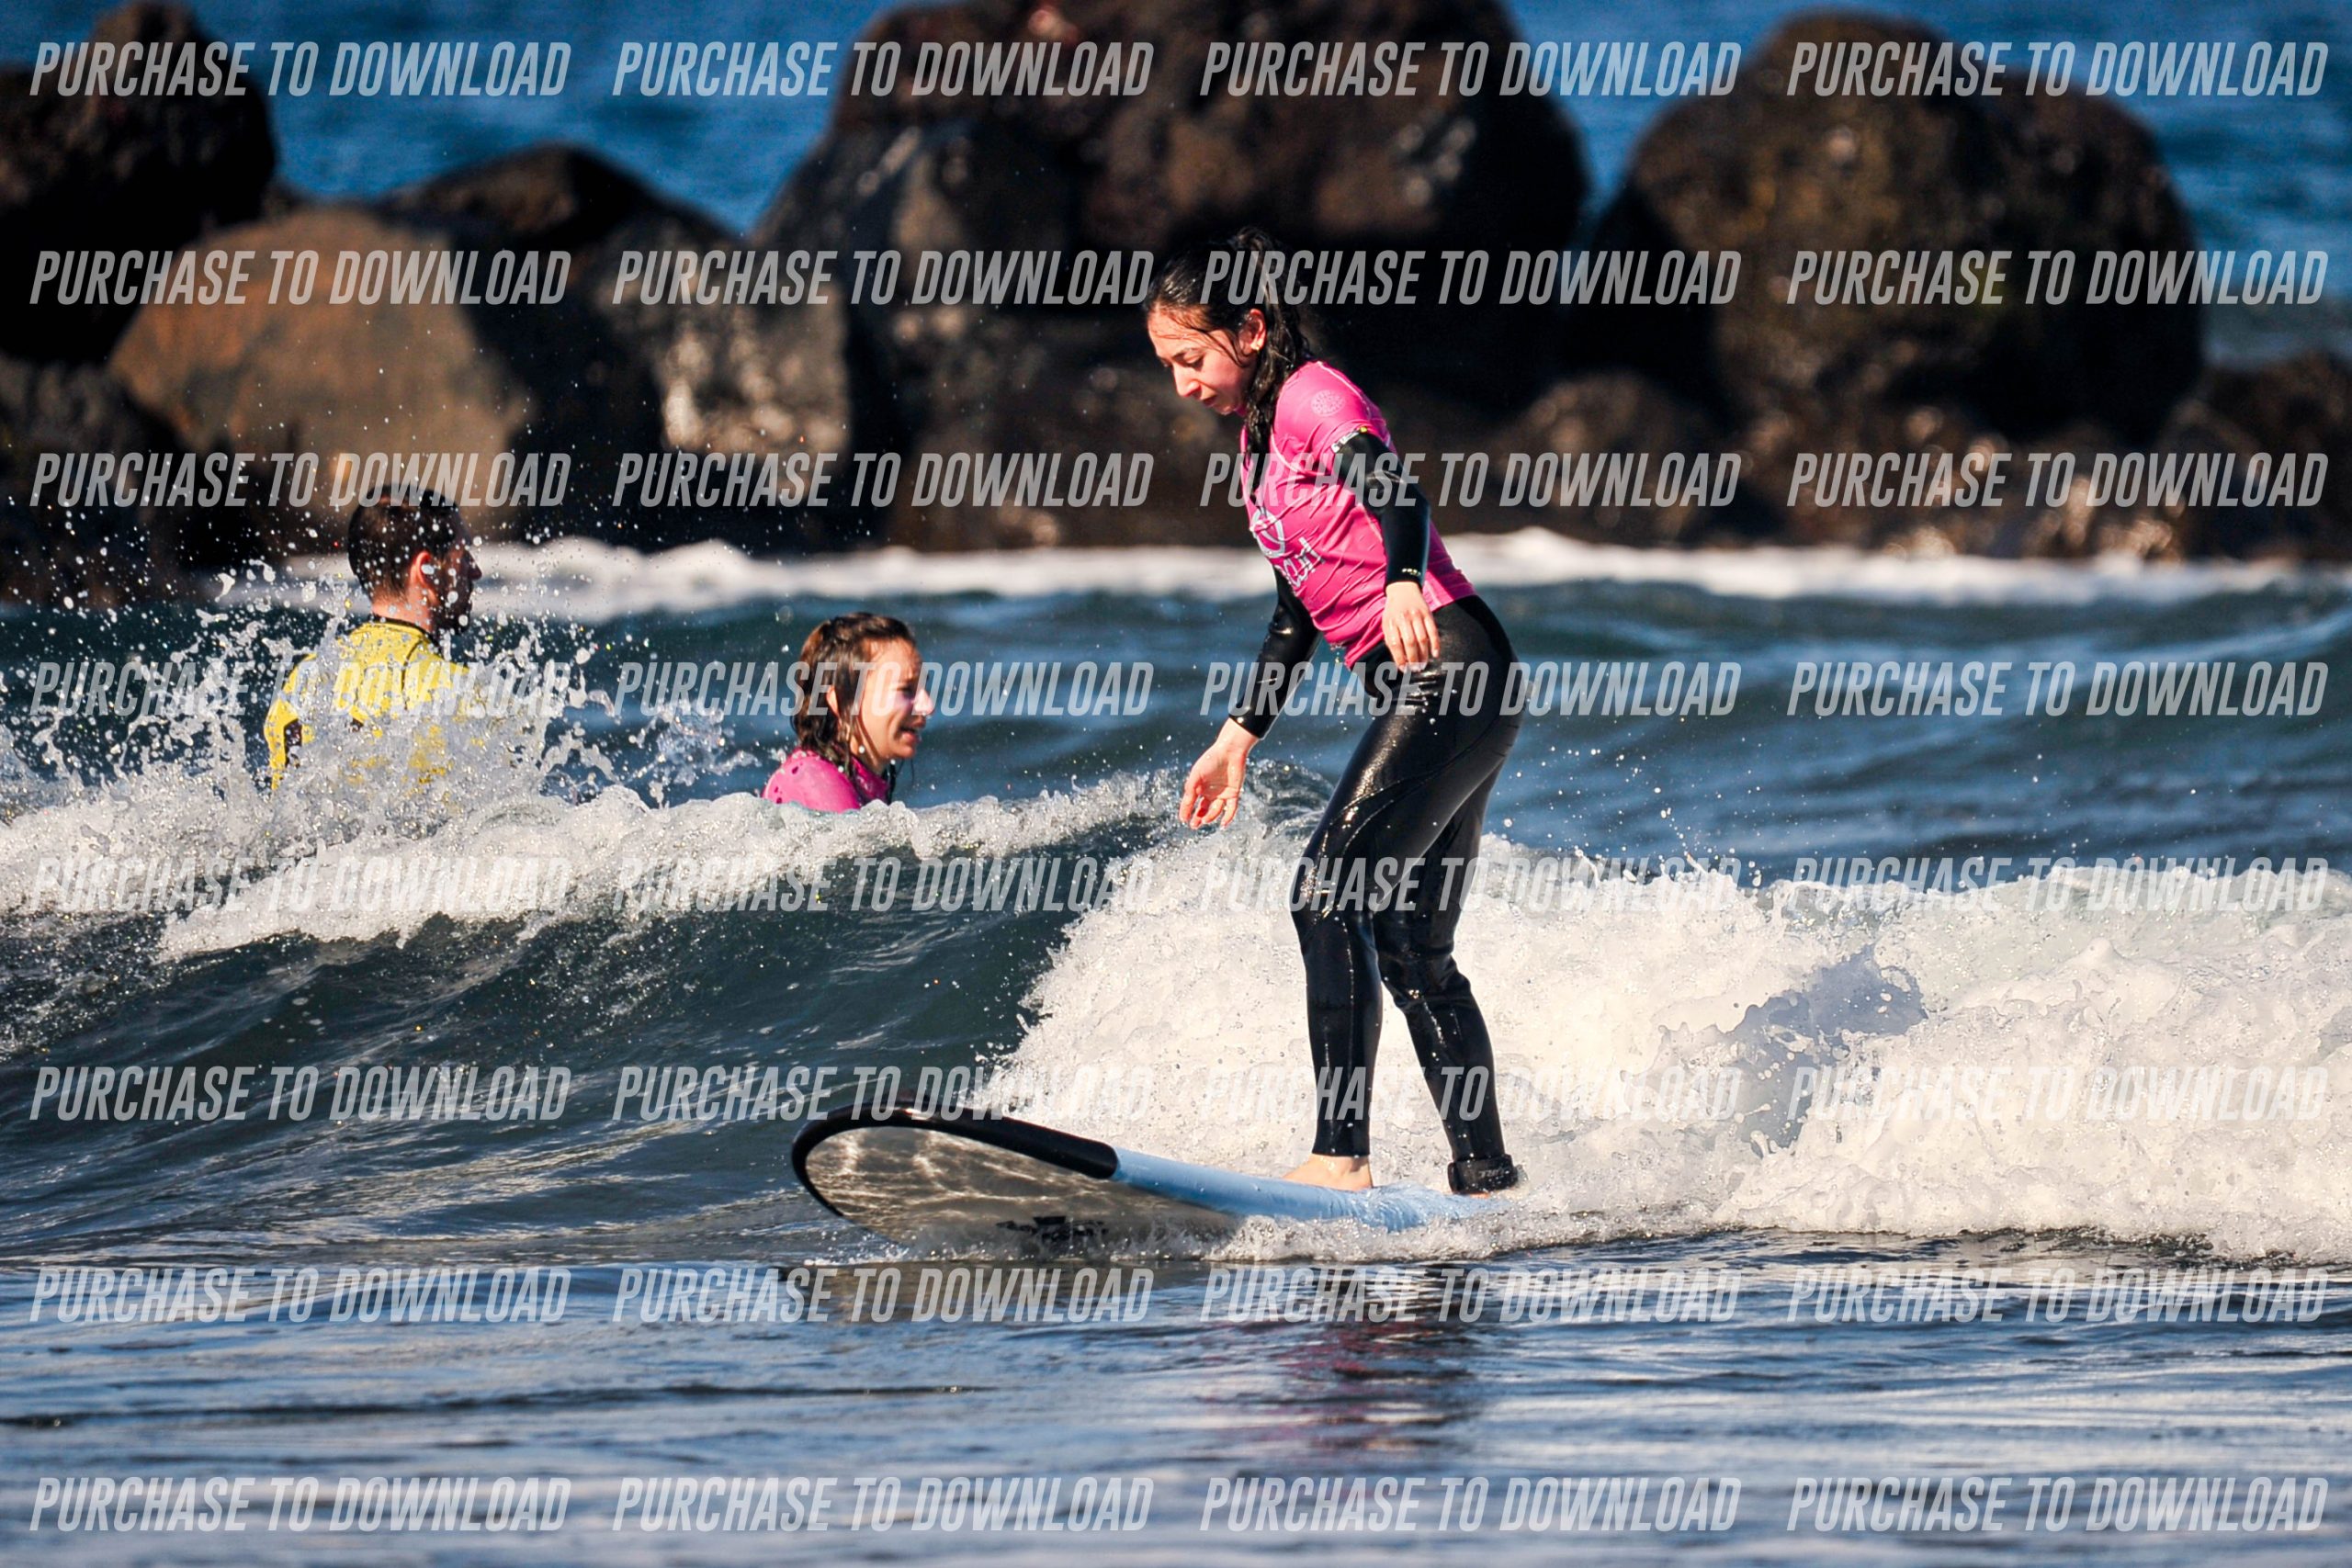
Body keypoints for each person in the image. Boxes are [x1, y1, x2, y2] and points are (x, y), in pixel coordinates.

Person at [1146, 228, 1524, 1196]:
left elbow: (1395, 491)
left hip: (1452, 669)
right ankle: (1486, 1180)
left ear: (1249, 330)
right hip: (1451, 687)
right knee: (1413, 949)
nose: (1182, 384)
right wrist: (1237, 735)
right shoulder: (1257, 446)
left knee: (1326, 894)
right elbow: (1294, 611)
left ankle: (1340, 1156)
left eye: (1191, 357)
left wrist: (1401, 580)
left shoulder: (1315, 397)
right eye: (1168, 365)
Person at [264, 489, 482, 789]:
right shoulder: (463, 692)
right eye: (464, 555)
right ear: (427, 571)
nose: (475, 571)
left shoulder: (304, 678)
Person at [763, 613, 931, 811]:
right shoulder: (817, 784)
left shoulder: (854, 782)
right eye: (906, 689)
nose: (928, 706)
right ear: (842, 703)